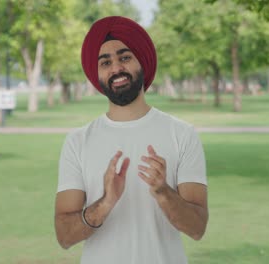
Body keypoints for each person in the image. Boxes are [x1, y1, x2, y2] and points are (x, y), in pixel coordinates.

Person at [54, 16, 208, 264]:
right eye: (105, 62)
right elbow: (64, 236)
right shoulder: (78, 141)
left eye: (124, 58)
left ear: (142, 62)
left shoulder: (182, 134)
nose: (116, 68)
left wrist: (163, 192)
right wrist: (105, 203)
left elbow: (197, 228)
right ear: (98, 73)